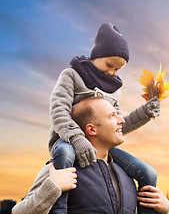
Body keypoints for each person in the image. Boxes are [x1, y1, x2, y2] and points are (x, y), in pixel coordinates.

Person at [48, 23, 160, 214]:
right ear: (96, 56)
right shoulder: (72, 76)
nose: (112, 72)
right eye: (109, 65)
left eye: (118, 69)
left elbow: (117, 124)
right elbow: (58, 110)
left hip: (102, 147)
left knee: (148, 172)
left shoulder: (115, 90)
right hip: (67, 140)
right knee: (65, 156)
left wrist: (145, 112)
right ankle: (59, 209)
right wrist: (77, 139)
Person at [12, 97, 169, 214]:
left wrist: (164, 208)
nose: (121, 120)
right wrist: (52, 187)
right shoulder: (60, 171)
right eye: (112, 116)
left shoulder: (127, 174)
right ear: (92, 129)